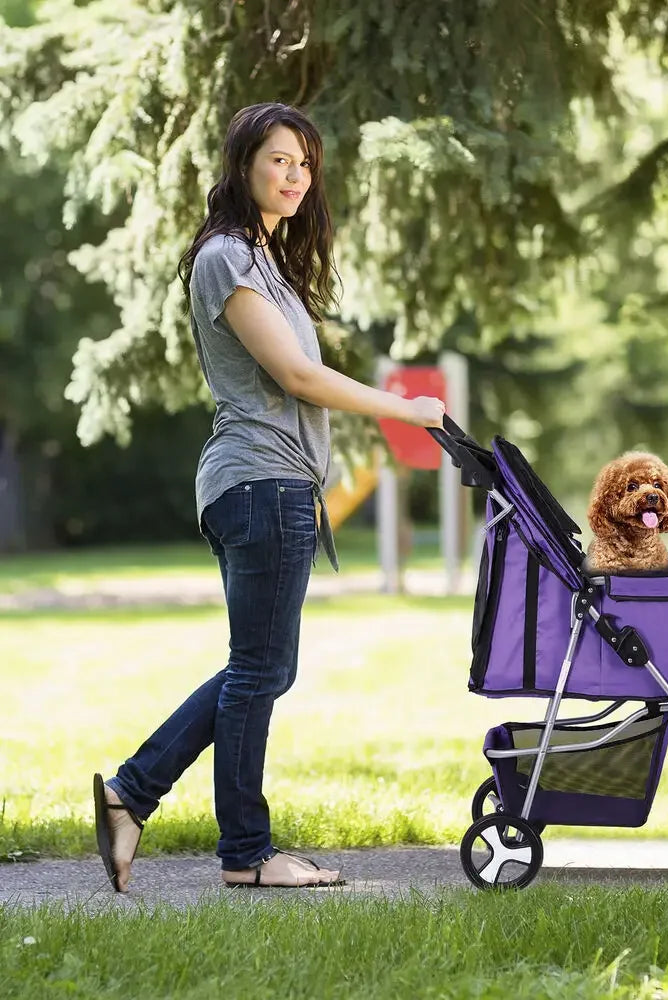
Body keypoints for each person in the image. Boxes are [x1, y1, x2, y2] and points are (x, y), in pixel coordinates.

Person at [93, 102, 445, 891]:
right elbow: (296, 377)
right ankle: (244, 852)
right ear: (244, 162)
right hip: (259, 481)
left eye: (304, 163)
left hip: (270, 485)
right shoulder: (227, 256)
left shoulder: (268, 261)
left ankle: (132, 796)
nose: (293, 175)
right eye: (278, 159)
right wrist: (406, 409)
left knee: (258, 667)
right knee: (259, 669)